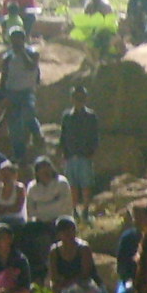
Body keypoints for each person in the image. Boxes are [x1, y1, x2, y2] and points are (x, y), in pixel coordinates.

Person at [22, 157, 73, 277]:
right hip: (41, 222)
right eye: (42, 171)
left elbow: (64, 206)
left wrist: (43, 208)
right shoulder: (32, 187)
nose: (45, 173)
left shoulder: (62, 183)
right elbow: (30, 210)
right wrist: (49, 207)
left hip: (61, 220)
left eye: (47, 170)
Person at [0, 27, 41, 160]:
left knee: (28, 111)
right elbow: (4, 77)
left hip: (27, 91)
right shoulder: (7, 57)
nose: (15, 42)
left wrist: (22, 52)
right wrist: (2, 96)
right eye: (13, 40)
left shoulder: (32, 53)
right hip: (12, 92)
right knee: (14, 125)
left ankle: (36, 132)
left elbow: (31, 66)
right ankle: (19, 154)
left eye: (18, 39)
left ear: (23, 39)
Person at [58, 84, 99, 222]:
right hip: (71, 156)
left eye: (81, 97)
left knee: (86, 185)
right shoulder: (67, 116)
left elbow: (95, 136)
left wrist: (92, 151)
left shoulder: (91, 116)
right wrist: (63, 152)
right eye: (76, 97)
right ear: (72, 99)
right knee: (72, 185)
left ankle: (86, 210)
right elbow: (63, 136)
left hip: (84, 155)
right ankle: (74, 211)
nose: (79, 100)